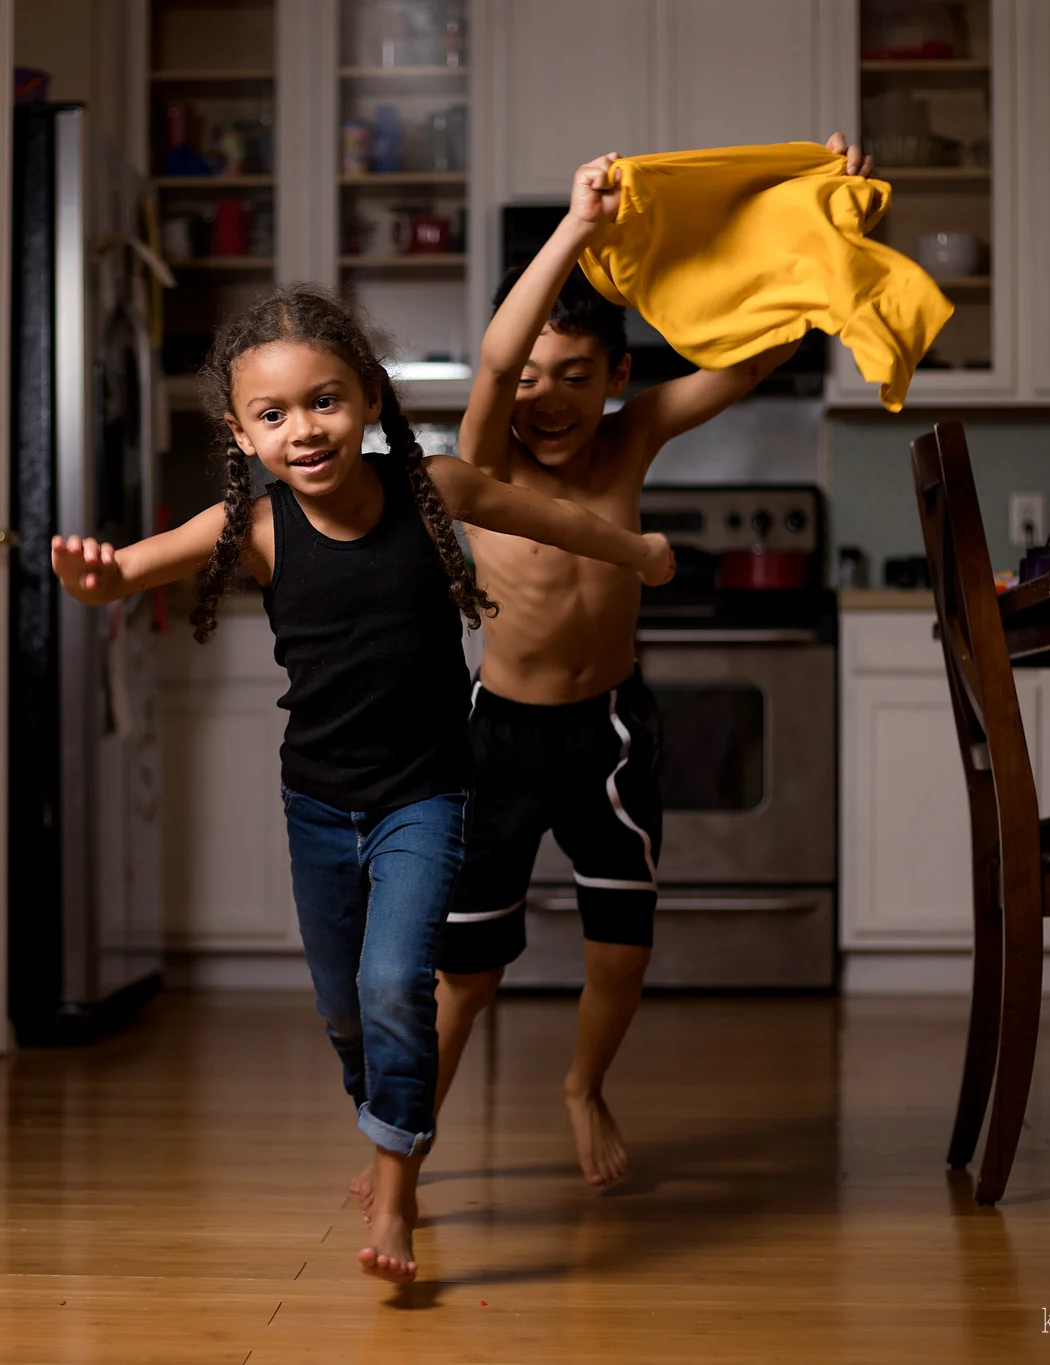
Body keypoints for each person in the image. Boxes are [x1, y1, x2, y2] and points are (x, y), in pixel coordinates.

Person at [49, 285, 673, 1284]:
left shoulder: (433, 492)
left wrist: (636, 549)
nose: (303, 428)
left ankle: (394, 1199)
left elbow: (549, 519)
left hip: (426, 797)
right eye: (273, 413)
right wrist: (94, 578)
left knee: (396, 990)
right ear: (241, 432)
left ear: (368, 400)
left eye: (324, 401)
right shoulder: (250, 528)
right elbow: (126, 573)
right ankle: (383, 1102)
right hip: (316, 809)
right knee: (347, 1009)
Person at [396, 134, 872, 1198]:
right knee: (464, 975)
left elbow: (755, 358)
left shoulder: (632, 439)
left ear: (616, 377)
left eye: (573, 377)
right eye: (529, 379)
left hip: (606, 731)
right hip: (497, 739)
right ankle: (406, 1144)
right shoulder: (482, 462)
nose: (544, 399)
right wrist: (577, 230)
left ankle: (582, 1086)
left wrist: (823, 221)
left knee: (620, 948)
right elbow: (490, 362)